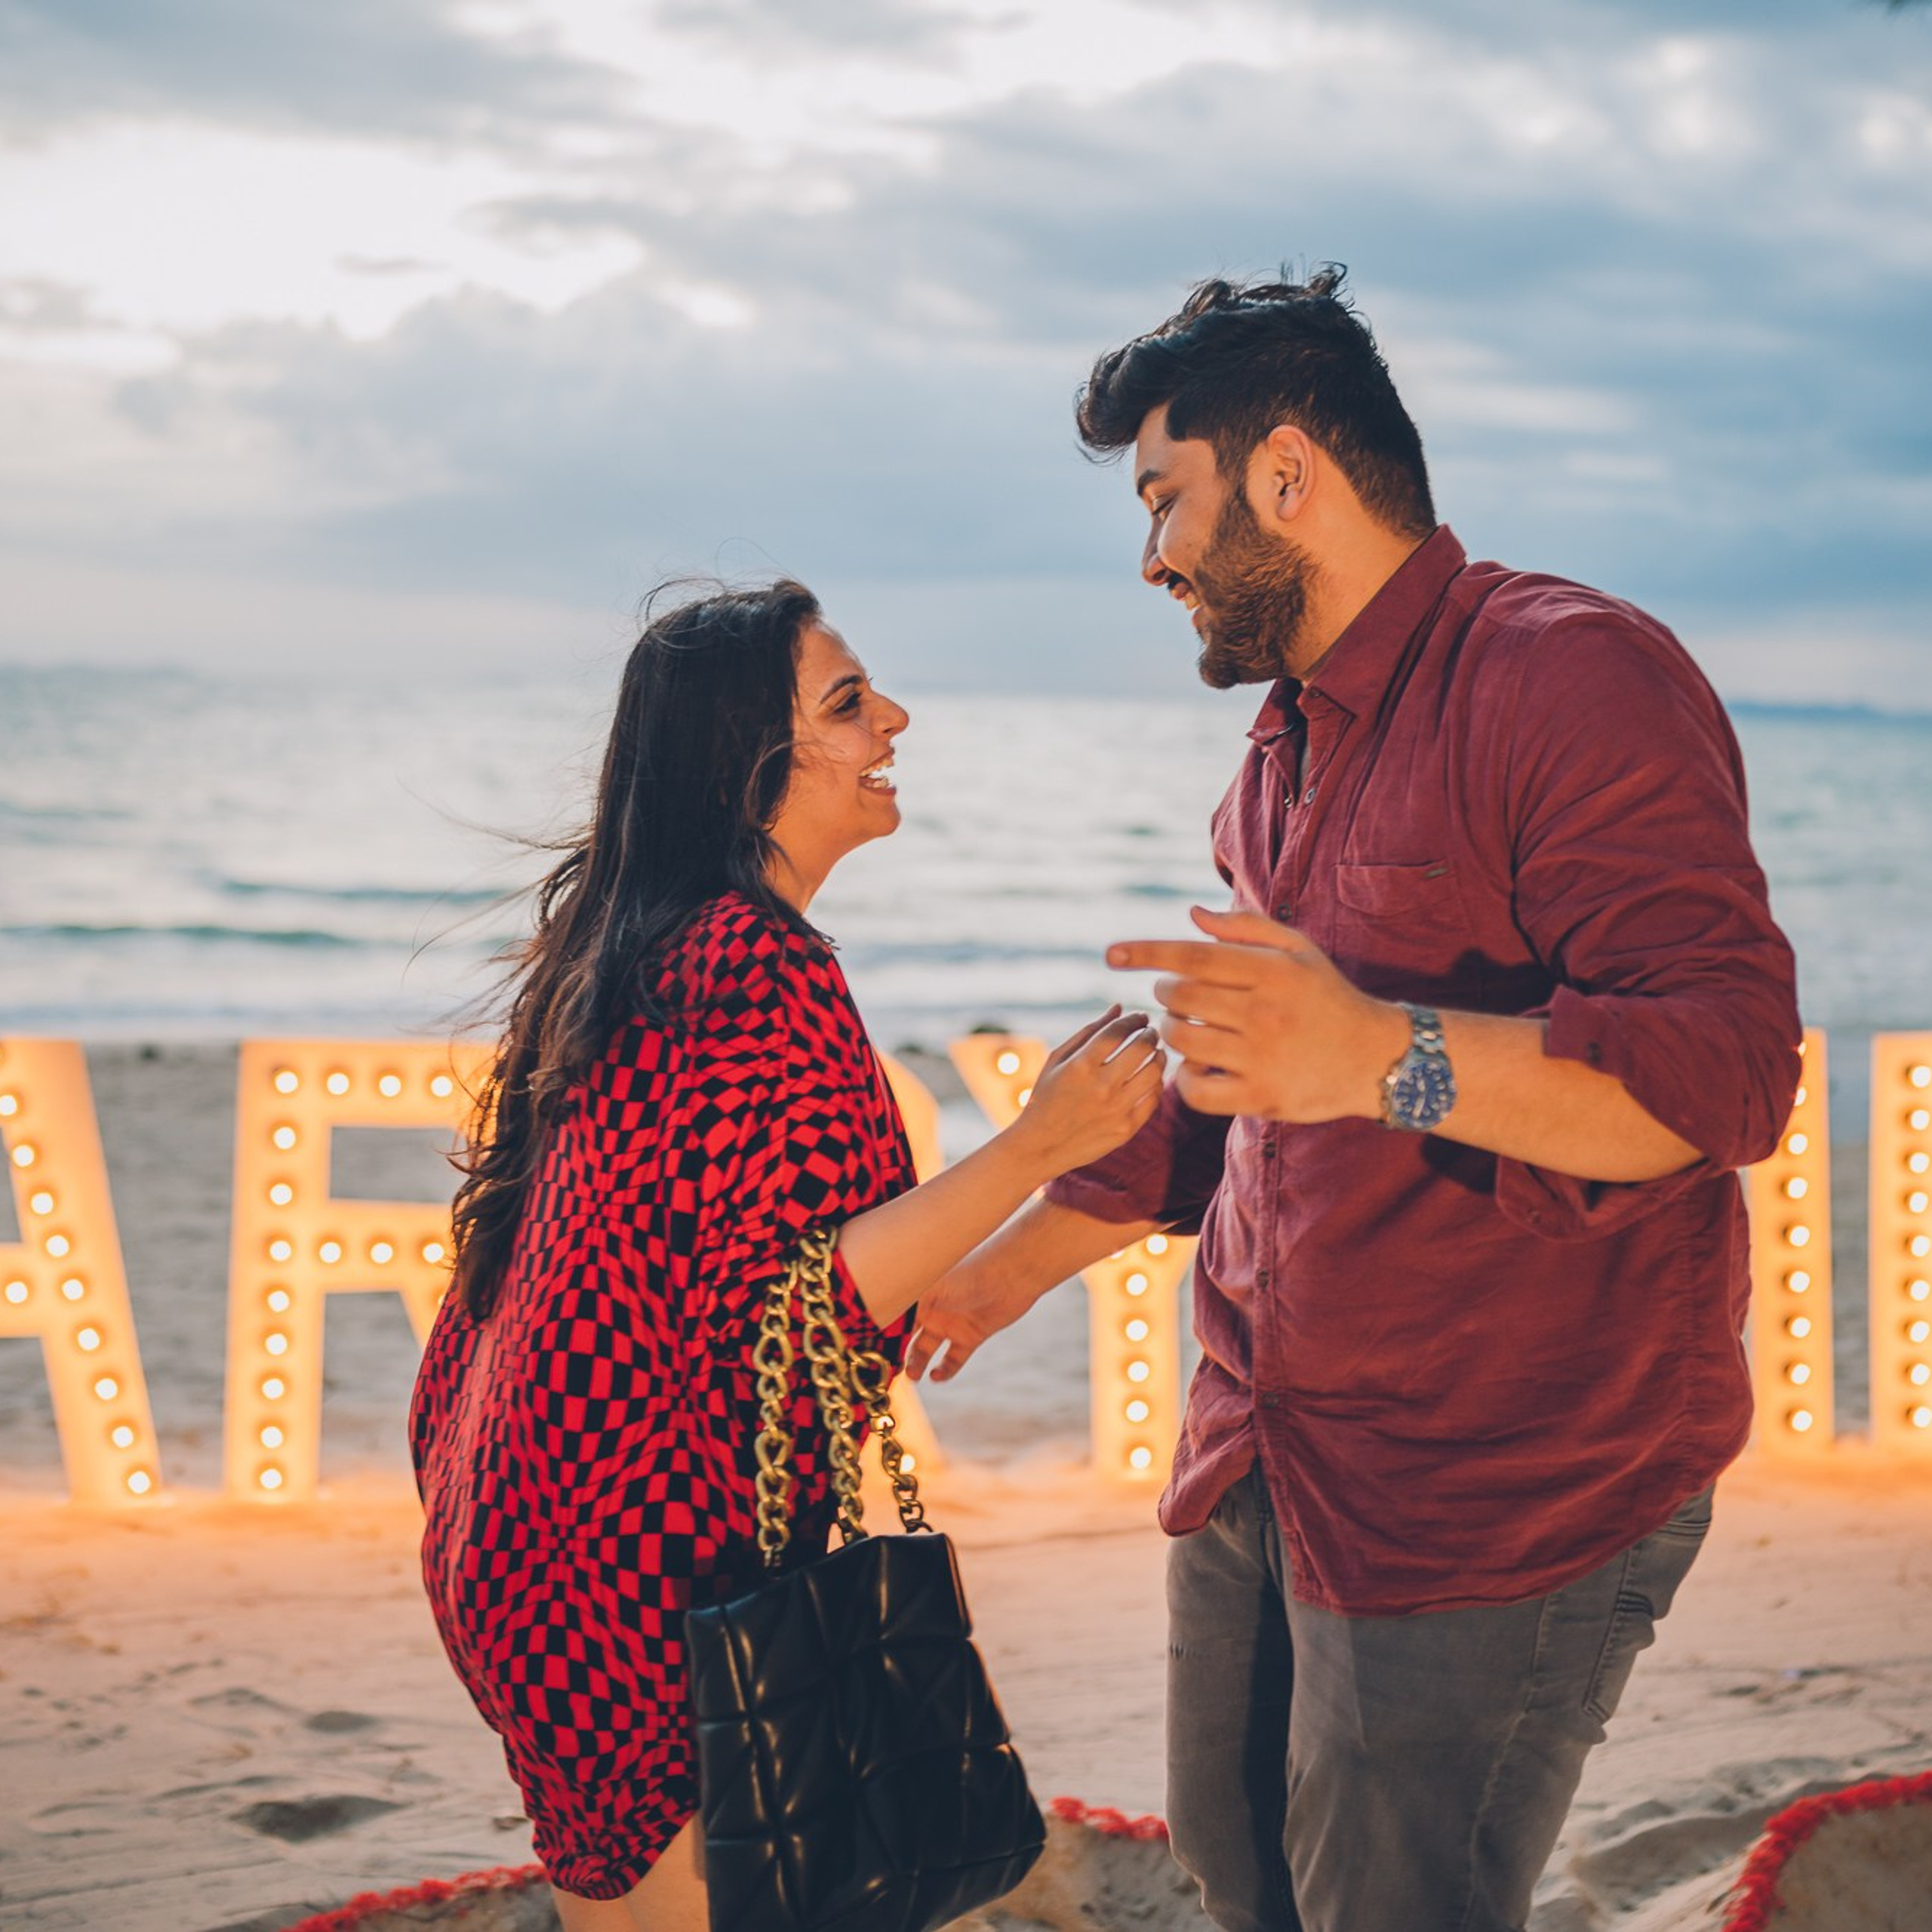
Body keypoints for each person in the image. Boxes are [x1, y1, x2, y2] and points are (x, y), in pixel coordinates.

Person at [906, 269, 1803, 1932]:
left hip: (1499, 1480)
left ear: (1287, 474)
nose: (1151, 557)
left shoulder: (1568, 672)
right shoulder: (1277, 744)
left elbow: (1725, 1064)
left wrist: (1382, 1050)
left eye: (1164, 498)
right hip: (1261, 1439)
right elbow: (1243, 1093)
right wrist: (1002, 1262)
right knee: (1236, 1868)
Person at [408, 578, 1164, 1932]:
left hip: (518, 1526)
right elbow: (791, 1302)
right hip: (639, 1567)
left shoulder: (629, 948)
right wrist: (1042, 1142)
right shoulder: (757, 965)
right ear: (749, 761)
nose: (896, 721)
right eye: (849, 703)